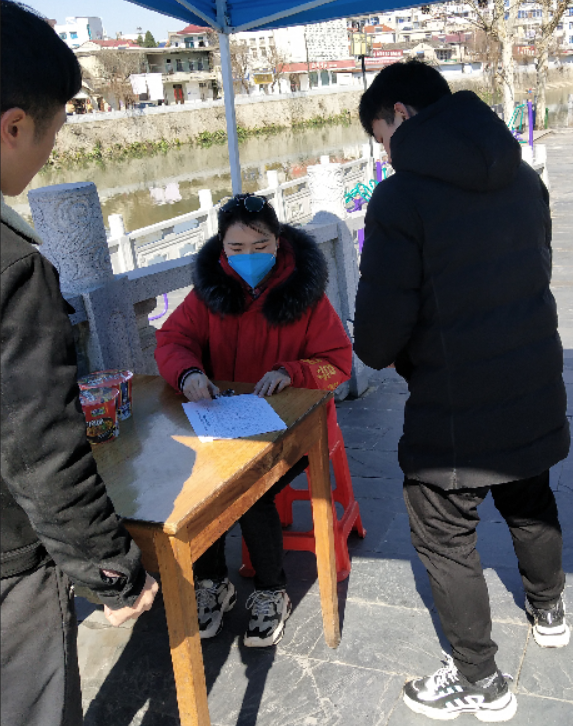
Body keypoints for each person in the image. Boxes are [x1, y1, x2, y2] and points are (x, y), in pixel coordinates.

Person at [354, 60, 571, 722]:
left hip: (454, 406)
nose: (383, 153)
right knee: (528, 497)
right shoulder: (523, 178)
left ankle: (479, 680)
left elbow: (375, 339)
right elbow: (536, 270)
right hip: (531, 377)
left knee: (443, 529)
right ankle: (549, 611)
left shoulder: (400, 199)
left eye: (380, 137)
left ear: (401, 114)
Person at [0, 4, 159, 726]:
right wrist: (112, 570)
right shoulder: (13, 269)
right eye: (55, 129)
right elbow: (39, 451)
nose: (52, 148)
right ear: (14, 126)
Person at [155, 194, 352, 646]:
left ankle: (271, 590)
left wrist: (292, 372)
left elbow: (338, 362)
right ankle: (211, 582)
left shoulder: (304, 295)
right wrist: (188, 374)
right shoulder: (209, 292)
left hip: (291, 427)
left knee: (251, 490)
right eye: (236, 248)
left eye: (260, 246)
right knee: (196, 483)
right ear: (221, 247)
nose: (248, 257)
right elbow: (172, 341)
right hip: (223, 419)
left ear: (278, 242)